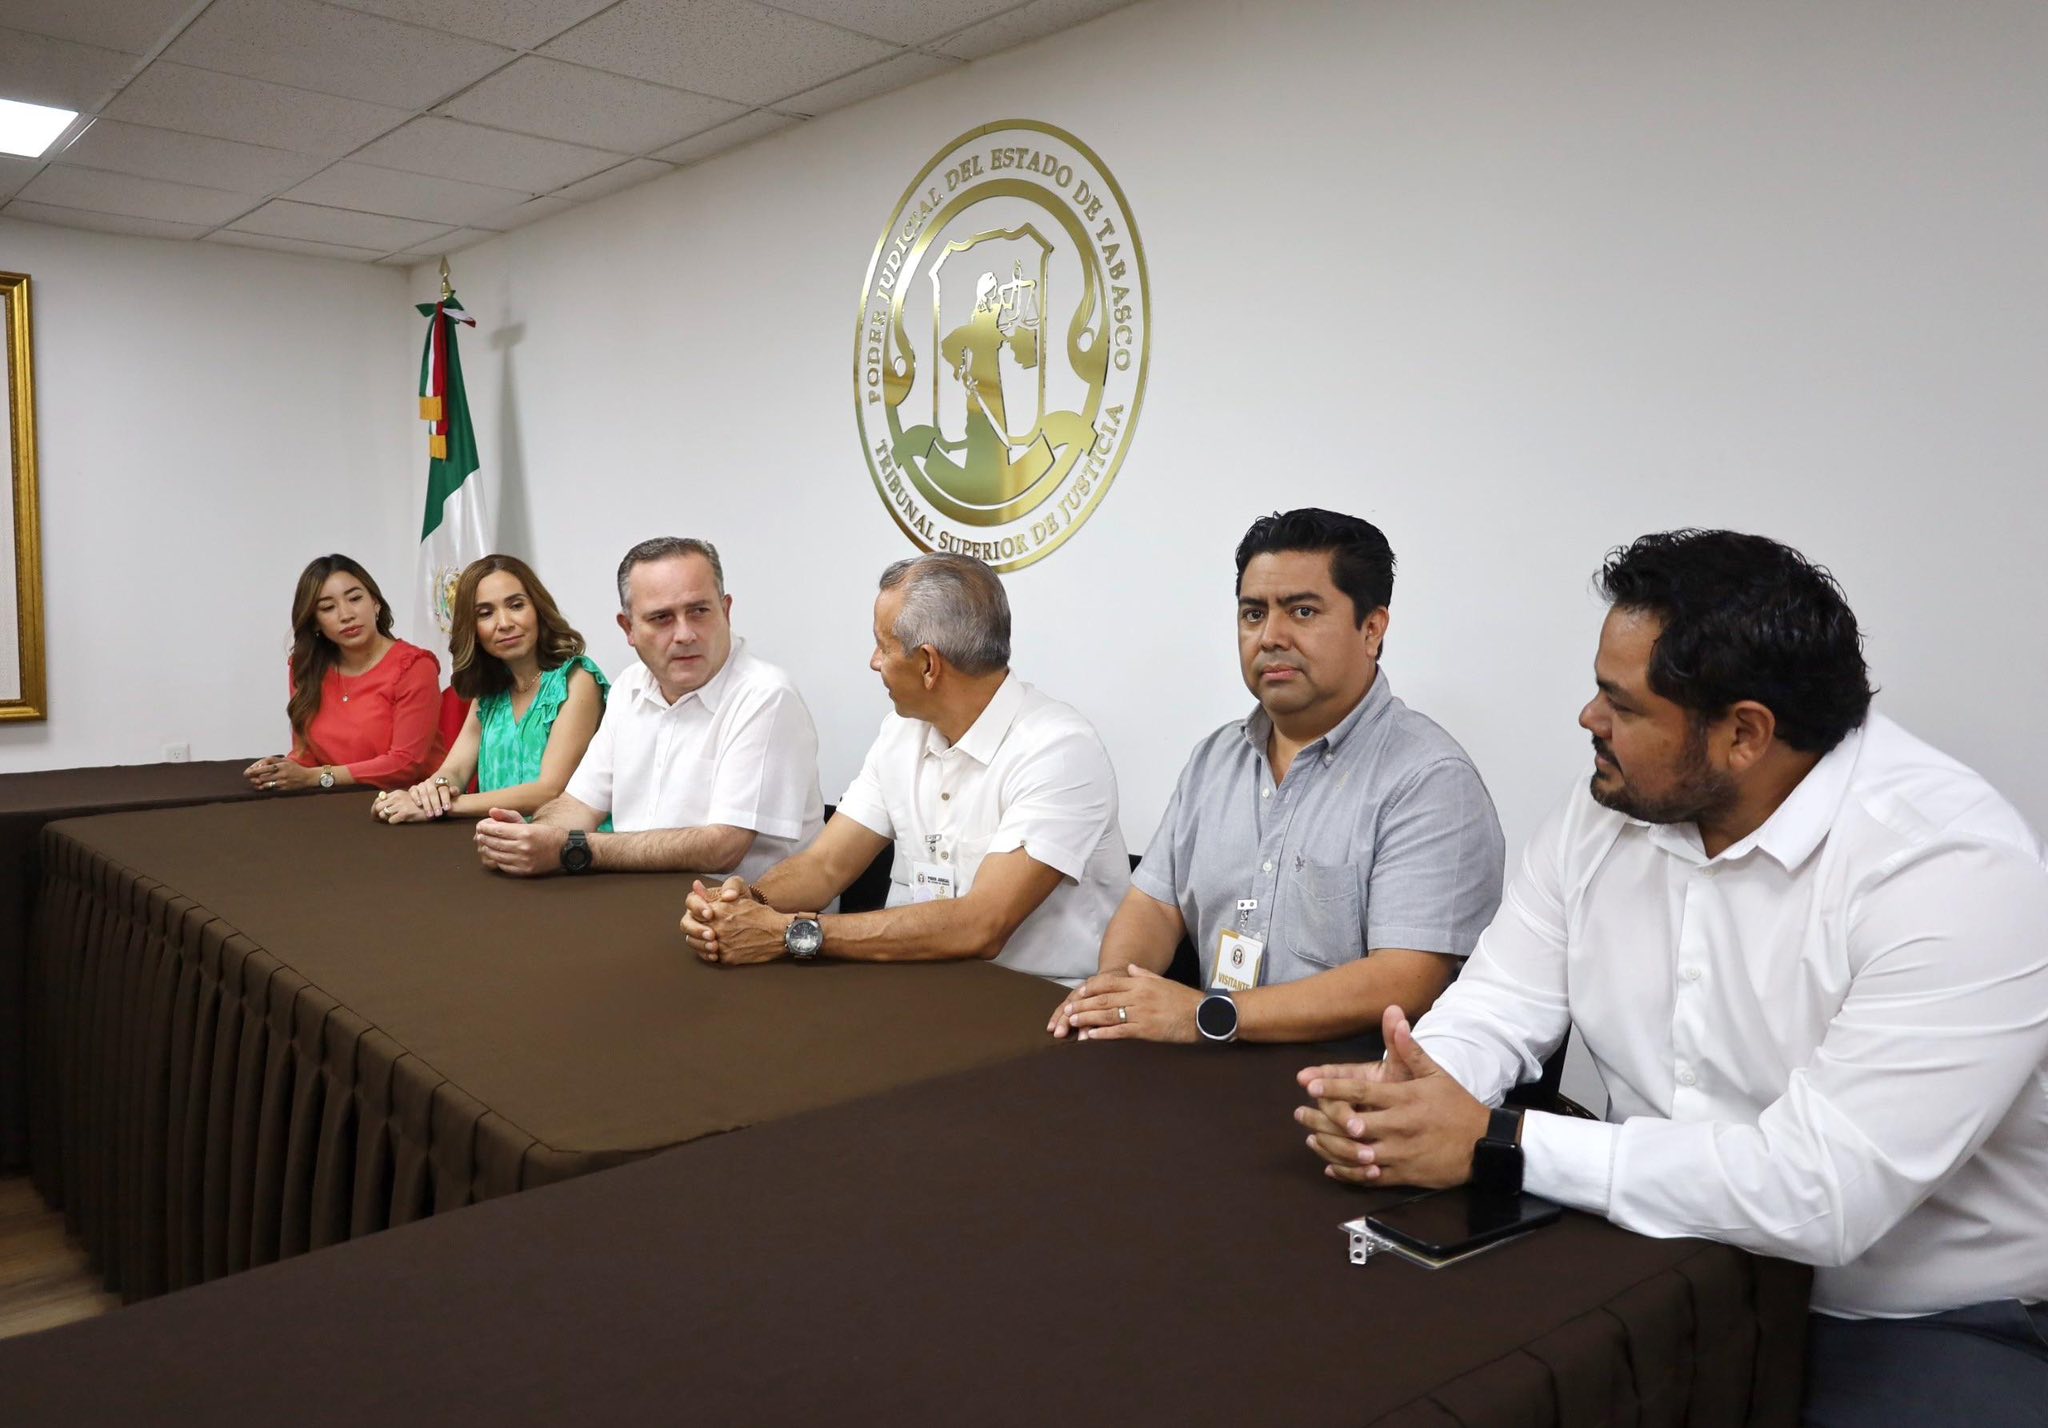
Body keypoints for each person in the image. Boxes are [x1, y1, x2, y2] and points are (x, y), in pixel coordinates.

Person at [1292, 530, 2048, 1427]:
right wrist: (1412, 1097)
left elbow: (1823, 1195)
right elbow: (1500, 1000)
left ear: (1744, 734)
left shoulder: (1952, 869)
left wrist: (1498, 1141)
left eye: (1622, 703)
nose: (1588, 718)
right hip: (1657, 1257)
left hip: (1906, 1317)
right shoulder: (1607, 811)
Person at [1049, 508, 1504, 1045]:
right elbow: (1153, 907)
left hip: (1345, 1080)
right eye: (1253, 613)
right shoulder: (1215, 759)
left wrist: (1206, 1017)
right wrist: (1114, 995)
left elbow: (1406, 980)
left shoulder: (1430, 781)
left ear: (1372, 629)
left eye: (1303, 612)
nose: (1270, 636)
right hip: (1206, 1060)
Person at [679, 552, 1128, 986]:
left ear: (929, 665)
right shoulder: (902, 731)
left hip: (1036, 1001)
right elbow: (826, 865)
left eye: (883, 646)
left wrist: (790, 933)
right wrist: (745, 903)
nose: (874, 662)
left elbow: (982, 925)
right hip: (910, 982)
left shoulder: (1059, 750)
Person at [472, 537, 821, 878]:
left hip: (747, 908)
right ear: (629, 628)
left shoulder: (765, 695)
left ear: (726, 611)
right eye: (661, 618)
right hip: (642, 892)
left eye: (699, 611)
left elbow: (723, 848)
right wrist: (530, 836)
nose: (684, 634)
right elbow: (579, 804)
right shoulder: (630, 686)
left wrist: (569, 849)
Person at [374, 555, 608, 826]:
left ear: (538, 609)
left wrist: (443, 808)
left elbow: (549, 791)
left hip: (570, 842)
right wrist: (428, 794)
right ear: (472, 628)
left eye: (516, 605)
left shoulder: (578, 678)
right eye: (485, 613)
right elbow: (455, 770)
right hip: (496, 838)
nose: (504, 623)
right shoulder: (488, 693)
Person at [244, 554, 443, 794]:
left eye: (355, 598)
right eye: (328, 607)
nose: (346, 614)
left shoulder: (414, 667)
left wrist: (316, 777)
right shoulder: (306, 666)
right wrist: (281, 770)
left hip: (413, 801)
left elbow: (405, 764)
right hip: (336, 801)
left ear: (375, 603)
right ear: (315, 622)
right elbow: (306, 755)